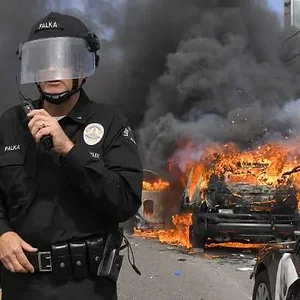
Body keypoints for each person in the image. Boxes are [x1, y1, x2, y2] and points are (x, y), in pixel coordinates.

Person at [0, 11, 143, 300]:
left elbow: (125, 202)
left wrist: (70, 150)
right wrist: (1, 233)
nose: (52, 69)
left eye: (64, 60)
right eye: (42, 61)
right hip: (21, 284)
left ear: (82, 67)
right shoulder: (10, 123)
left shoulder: (110, 123)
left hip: (85, 287)